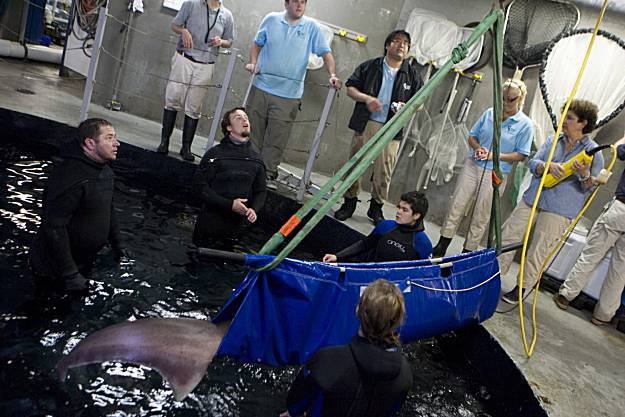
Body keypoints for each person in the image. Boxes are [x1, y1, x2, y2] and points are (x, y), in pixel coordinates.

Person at [499, 99, 604, 304]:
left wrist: (583, 174)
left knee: (539, 249)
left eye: (570, 118)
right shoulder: (554, 139)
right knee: (508, 235)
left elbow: (591, 187)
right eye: (564, 115)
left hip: (560, 209)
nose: (564, 120)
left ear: (583, 123)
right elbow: (533, 162)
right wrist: (548, 166)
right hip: (533, 198)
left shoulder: (593, 151)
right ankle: (493, 276)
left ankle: (521, 290)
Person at [280, 279, 412, 417]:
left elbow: (295, 404)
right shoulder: (405, 373)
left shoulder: (327, 360)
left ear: (357, 310)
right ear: (397, 321)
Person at [245, 0, 341, 189]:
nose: (299, 5)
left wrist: (332, 75)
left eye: (303, 2)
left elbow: (326, 53)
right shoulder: (271, 19)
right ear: (286, 3)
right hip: (261, 86)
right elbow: (257, 44)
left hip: (288, 95)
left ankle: (266, 177)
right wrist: (253, 63)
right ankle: (247, 171)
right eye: (295, 1)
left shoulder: (311, 27)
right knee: (252, 132)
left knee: (276, 138)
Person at [432, 79, 534, 257]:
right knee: (456, 204)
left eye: (511, 99)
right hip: (473, 166)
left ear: (520, 98)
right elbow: (472, 136)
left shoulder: (524, 124)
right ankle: (441, 246)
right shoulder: (490, 113)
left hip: (495, 172)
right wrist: (477, 148)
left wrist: (495, 155)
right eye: (502, 98)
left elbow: (522, 154)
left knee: (481, 214)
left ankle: (466, 253)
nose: (505, 102)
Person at [334, 29, 423, 225]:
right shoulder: (371, 66)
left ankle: (376, 207)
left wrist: (406, 107)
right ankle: (349, 202)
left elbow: (420, 103)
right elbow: (350, 87)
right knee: (356, 164)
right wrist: (367, 99)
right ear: (387, 45)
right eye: (396, 41)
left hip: (392, 128)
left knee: (385, 170)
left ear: (408, 50)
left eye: (405, 43)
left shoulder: (412, 75)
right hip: (367, 123)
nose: (401, 45)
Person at [29, 118, 125, 292]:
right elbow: (54, 227)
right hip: (54, 269)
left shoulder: (105, 172)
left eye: (115, 138)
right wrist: (70, 274)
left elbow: (108, 210)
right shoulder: (70, 178)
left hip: (84, 262)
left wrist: (119, 247)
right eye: (109, 138)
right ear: (90, 143)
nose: (116, 143)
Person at [553, 132, 625, 326]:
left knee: (591, 255)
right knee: (621, 271)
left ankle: (565, 296)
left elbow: (618, 151)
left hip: (621, 209)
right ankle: (603, 316)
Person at [156, 0, 235, 162]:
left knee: (194, 106)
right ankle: (164, 142)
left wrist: (221, 42)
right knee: (173, 98)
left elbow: (229, 41)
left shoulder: (227, 15)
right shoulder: (191, 4)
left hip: (206, 64)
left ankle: (186, 148)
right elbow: (175, 25)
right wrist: (183, 31)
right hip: (184, 58)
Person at [192, 107, 266, 247]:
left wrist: (254, 209)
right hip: (210, 226)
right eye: (238, 118)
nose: (244, 120)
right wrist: (230, 204)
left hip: (236, 230)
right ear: (229, 127)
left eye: (246, 117)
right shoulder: (215, 154)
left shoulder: (256, 159)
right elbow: (199, 187)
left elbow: (261, 191)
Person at [324, 191, 432, 263]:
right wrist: (337, 256)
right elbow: (364, 245)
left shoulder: (423, 243)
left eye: (404, 210)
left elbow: (422, 274)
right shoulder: (386, 226)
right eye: (399, 207)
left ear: (417, 215)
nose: (398, 212)